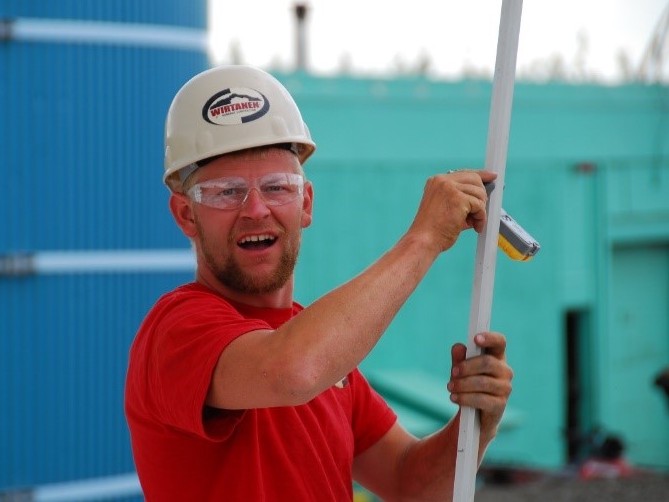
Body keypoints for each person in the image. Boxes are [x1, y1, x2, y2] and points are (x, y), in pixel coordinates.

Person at [124, 65, 513, 501]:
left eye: (277, 187)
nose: (256, 209)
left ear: (305, 204)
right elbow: (294, 372)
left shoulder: (323, 348)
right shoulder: (175, 330)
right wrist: (423, 239)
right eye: (225, 192)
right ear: (184, 216)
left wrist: (476, 424)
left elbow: (410, 484)